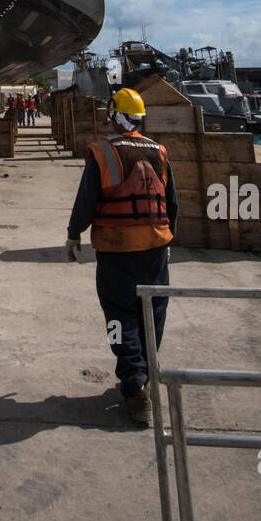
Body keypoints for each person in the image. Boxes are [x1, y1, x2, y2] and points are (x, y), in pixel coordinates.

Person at [65, 87, 177, 426]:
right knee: (153, 310)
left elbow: (87, 199)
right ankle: (147, 370)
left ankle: (133, 385)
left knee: (118, 316)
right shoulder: (159, 151)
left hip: (117, 249)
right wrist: (170, 237)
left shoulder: (104, 152)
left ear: (115, 116)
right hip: (156, 247)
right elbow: (171, 201)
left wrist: (74, 234)